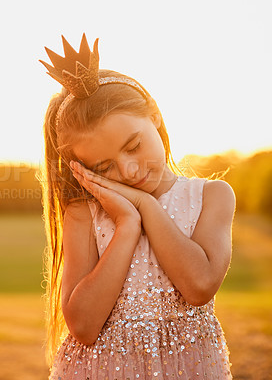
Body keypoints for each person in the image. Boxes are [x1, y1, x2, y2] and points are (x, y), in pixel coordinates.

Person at [38, 33, 235, 379]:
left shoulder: (212, 197)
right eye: (103, 167)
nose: (128, 171)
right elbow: (83, 326)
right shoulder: (85, 214)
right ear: (83, 171)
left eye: (133, 146)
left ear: (154, 116)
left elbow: (199, 285)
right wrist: (126, 225)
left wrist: (146, 205)